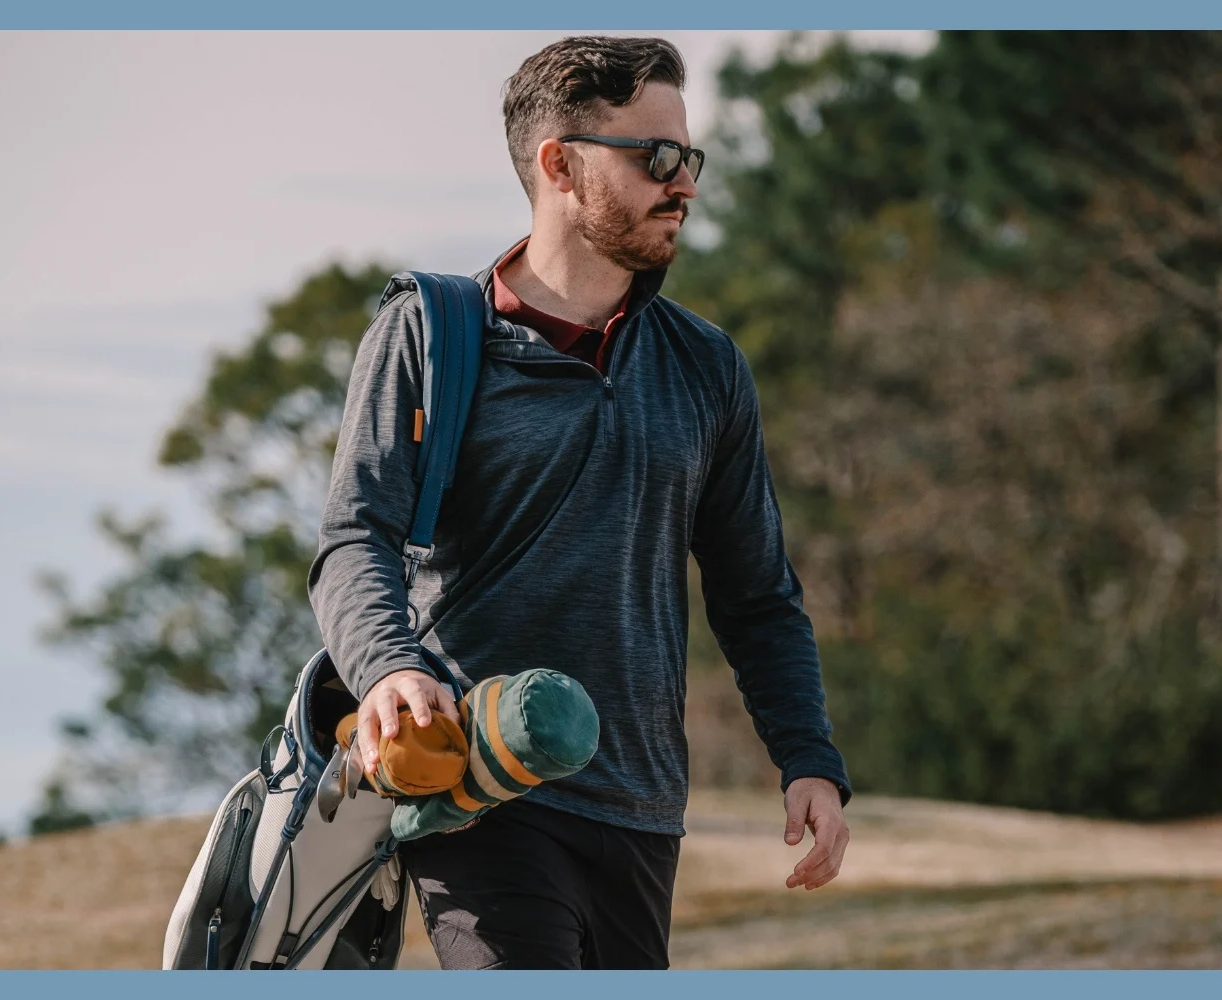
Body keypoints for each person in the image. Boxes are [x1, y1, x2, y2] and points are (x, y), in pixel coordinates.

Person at [307, 34, 851, 970]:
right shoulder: (430, 332)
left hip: (642, 808)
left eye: (690, 157)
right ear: (559, 165)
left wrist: (809, 757)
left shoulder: (706, 367)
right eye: (656, 157)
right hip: (480, 784)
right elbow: (356, 536)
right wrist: (390, 666)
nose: (683, 182)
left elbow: (756, 593)